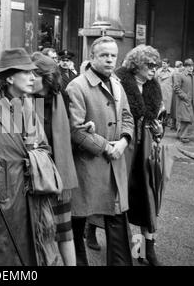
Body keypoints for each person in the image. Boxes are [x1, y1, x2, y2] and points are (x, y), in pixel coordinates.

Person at [0, 48, 63, 266]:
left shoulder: (27, 105)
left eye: (33, 72)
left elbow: (43, 145)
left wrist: (35, 157)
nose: (33, 78)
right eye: (27, 73)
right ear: (9, 77)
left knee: (26, 255)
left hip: (27, 197)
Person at [66, 36, 134, 266]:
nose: (109, 59)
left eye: (113, 55)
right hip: (88, 166)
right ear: (92, 57)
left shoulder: (117, 83)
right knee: (78, 220)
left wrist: (124, 141)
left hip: (115, 163)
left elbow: (127, 117)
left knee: (116, 218)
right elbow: (75, 130)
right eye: (104, 55)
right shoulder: (77, 86)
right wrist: (106, 147)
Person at [115, 44, 164, 266]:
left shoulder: (154, 87)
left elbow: (155, 119)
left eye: (156, 65)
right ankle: (91, 228)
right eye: (149, 64)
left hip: (145, 147)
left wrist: (158, 129)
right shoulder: (120, 82)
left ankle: (144, 250)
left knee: (146, 197)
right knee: (122, 196)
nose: (154, 69)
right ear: (137, 65)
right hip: (126, 145)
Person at [31, 52, 79, 266]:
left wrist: (82, 127)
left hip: (59, 175)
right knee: (39, 232)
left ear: (46, 77)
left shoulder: (61, 98)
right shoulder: (21, 99)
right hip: (34, 176)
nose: (28, 79)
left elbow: (71, 128)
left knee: (64, 231)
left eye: (32, 74)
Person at [174, 58, 194, 143]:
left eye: (192, 66)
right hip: (184, 100)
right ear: (185, 66)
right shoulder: (181, 75)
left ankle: (179, 134)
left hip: (192, 101)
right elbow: (176, 88)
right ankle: (183, 136)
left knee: (187, 118)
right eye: (188, 66)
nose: (191, 68)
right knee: (185, 119)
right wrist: (185, 96)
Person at [156, 58, 173, 125]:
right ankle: (160, 120)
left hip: (169, 92)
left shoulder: (172, 71)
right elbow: (155, 80)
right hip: (160, 92)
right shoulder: (158, 71)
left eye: (165, 63)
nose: (163, 65)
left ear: (168, 64)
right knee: (161, 107)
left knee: (168, 107)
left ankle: (167, 121)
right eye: (162, 63)